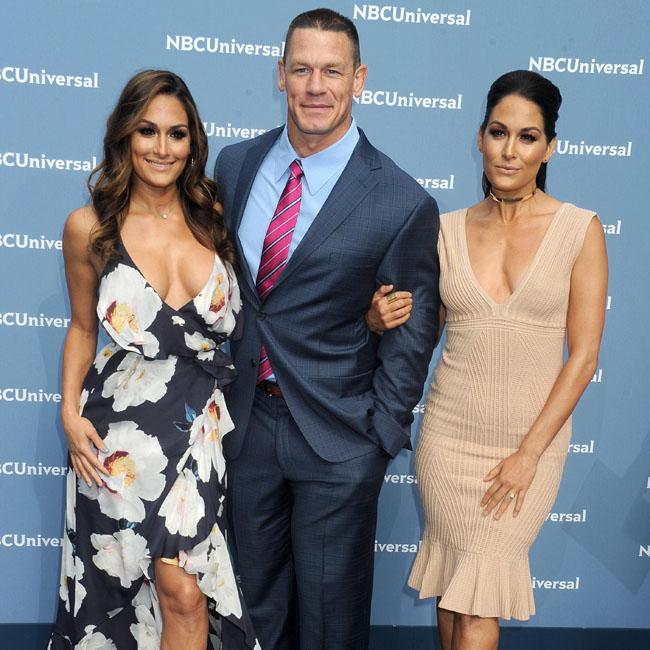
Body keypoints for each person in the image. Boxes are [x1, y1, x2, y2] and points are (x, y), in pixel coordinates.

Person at [214, 8, 441, 650]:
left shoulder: (401, 200)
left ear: (359, 79)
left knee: (329, 624)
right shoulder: (234, 166)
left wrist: (379, 435)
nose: (316, 87)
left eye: (333, 72)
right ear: (280, 75)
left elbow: (414, 332)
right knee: (248, 614)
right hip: (244, 428)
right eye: (302, 70)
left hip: (339, 439)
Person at [367, 69, 608, 650]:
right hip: (448, 440)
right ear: (480, 138)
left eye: (528, 137)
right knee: (457, 597)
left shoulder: (580, 230)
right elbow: (419, 338)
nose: (510, 150)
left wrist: (528, 455)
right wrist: (376, 321)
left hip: (530, 446)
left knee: (477, 604)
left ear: (550, 148)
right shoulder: (445, 231)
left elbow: (583, 358)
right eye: (499, 132)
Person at [49, 70, 257, 650]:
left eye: (177, 133)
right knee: (117, 594)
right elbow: (83, 327)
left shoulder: (213, 219)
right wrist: (68, 414)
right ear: (124, 136)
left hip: (198, 427)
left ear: (193, 143)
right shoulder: (90, 227)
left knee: (185, 590)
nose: (162, 148)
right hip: (120, 436)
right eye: (147, 131)